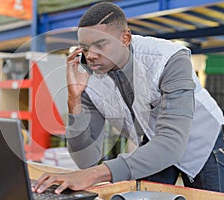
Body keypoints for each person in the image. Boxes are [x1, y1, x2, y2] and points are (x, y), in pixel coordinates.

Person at [32, 2, 224, 194]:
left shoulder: (168, 59)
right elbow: (86, 159)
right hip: (153, 144)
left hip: (205, 144)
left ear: (125, 38)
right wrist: (74, 100)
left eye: (100, 45)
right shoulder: (89, 80)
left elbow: (171, 144)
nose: (90, 56)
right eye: (84, 48)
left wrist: (92, 175)